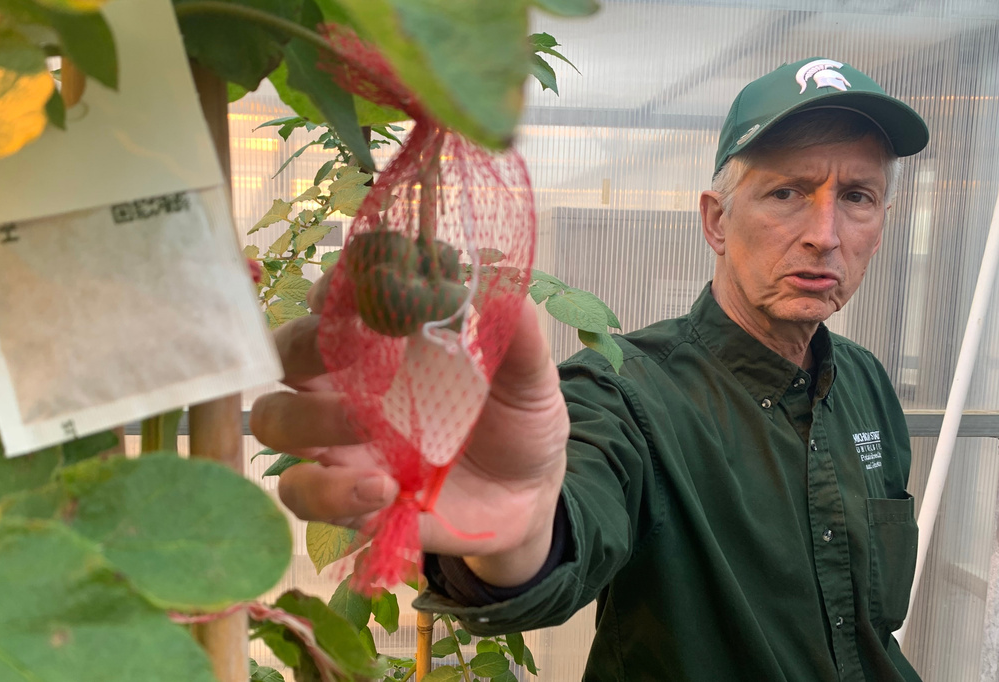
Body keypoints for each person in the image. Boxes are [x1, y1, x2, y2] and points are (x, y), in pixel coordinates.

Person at [250, 57, 930, 681]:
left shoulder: (866, 387)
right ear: (717, 222)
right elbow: (563, 518)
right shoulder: (625, 391)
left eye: (858, 197)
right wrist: (514, 539)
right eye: (787, 192)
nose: (825, 233)